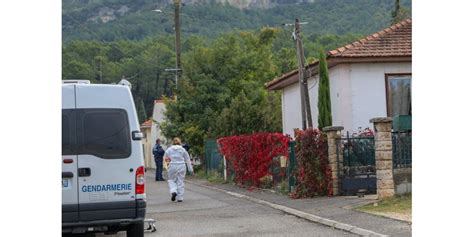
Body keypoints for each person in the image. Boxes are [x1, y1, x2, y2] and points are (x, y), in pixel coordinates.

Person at [164, 137, 193, 202]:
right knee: (180, 181)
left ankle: (173, 191)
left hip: (172, 165)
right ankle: (180, 198)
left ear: (173, 142)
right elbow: (187, 159)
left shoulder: (169, 150)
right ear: (180, 142)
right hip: (181, 166)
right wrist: (190, 169)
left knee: (171, 180)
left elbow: (166, 159)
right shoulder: (183, 150)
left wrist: (167, 168)